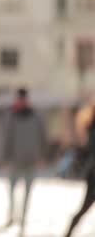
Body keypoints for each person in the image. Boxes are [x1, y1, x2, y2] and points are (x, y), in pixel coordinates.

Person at [3, 87, 47, 235]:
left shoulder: (36, 115)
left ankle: (23, 219)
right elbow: (7, 137)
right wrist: (5, 157)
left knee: (28, 191)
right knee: (12, 189)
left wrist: (41, 156)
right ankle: (12, 214)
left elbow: (42, 137)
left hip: (31, 159)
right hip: (15, 160)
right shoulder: (11, 114)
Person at [64, 101, 95, 237]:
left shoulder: (90, 127)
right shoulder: (92, 128)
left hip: (92, 174)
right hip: (94, 174)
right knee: (85, 207)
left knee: (84, 207)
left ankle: (68, 232)